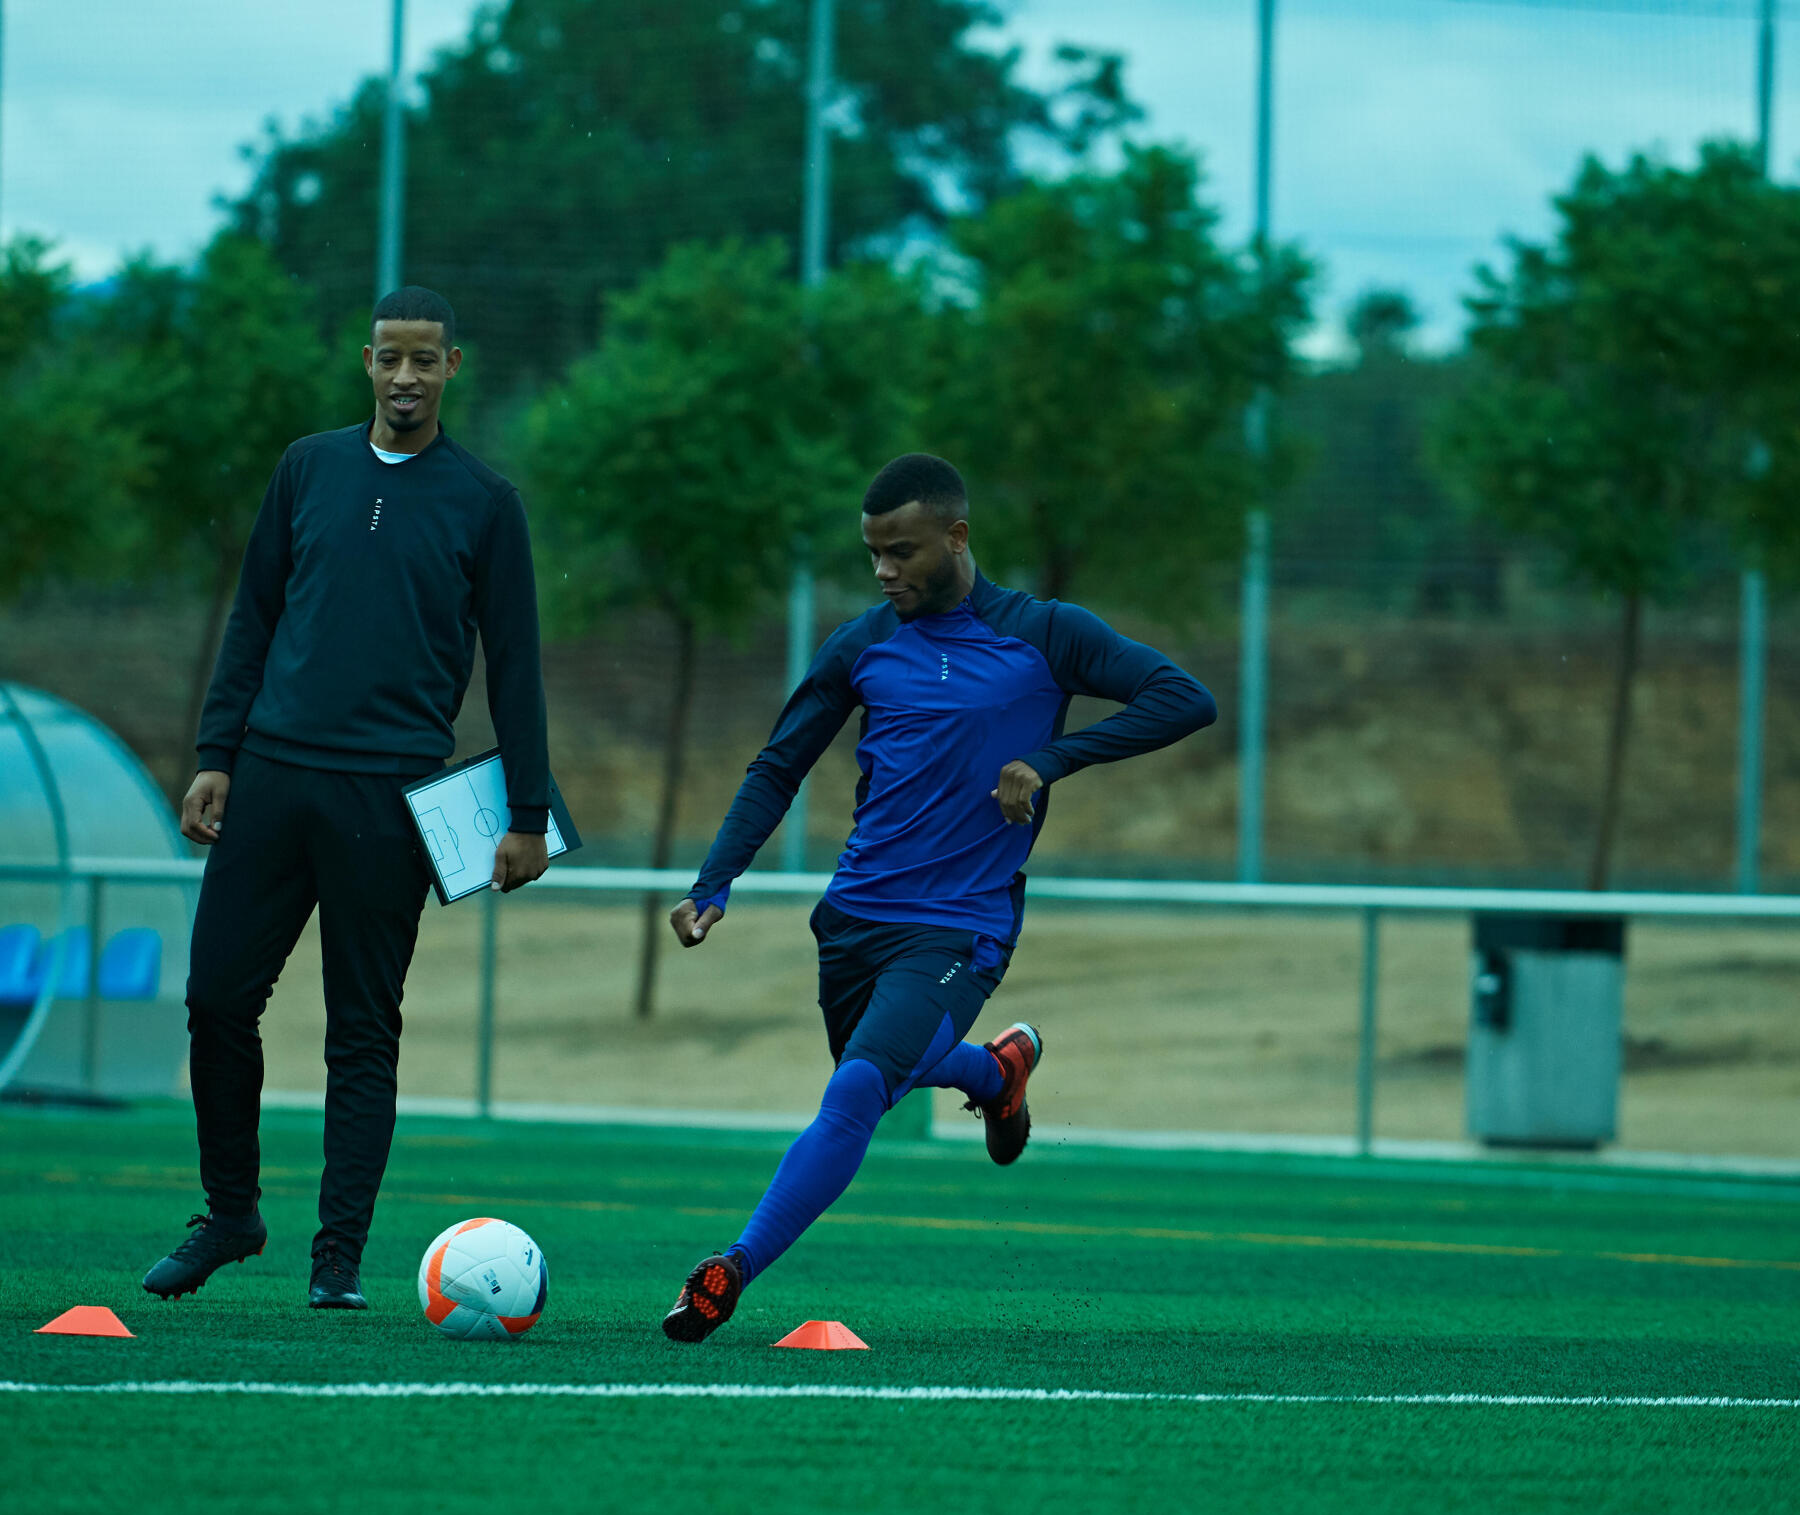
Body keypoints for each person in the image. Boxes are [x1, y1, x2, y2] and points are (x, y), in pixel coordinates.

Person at [660, 453, 1216, 1342]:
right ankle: (997, 1073)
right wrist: (713, 881)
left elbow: (1185, 699)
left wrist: (1052, 760)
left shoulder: (1047, 633)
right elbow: (780, 765)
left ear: (957, 538)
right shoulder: (861, 645)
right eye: (873, 554)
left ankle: (732, 1269)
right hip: (852, 923)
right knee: (885, 1072)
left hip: (960, 925)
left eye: (903, 552)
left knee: (854, 1093)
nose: (885, 571)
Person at [142, 286, 551, 1311]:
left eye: (425, 360)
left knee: (361, 1031)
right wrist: (215, 752)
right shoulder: (307, 468)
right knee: (217, 1000)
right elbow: (254, 618)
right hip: (272, 775)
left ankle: (338, 1263)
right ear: (364, 361)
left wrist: (529, 814)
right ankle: (231, 1214)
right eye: (388, 359)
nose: (405, 377)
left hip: (390, 795)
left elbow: (516, 667)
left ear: (453, 367)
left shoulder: (485, 501)